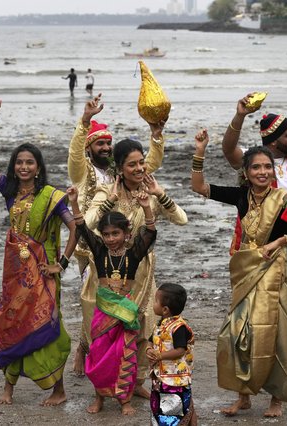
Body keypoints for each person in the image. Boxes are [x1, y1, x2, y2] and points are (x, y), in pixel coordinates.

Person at [192, 129, 287, 418]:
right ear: (246, 173)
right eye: (256, 167)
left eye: (267, 167)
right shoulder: (241, 197)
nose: (262, 172)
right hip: (247, 271)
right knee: (237, 332)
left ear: (273, 171)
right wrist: (201, 150)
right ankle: (244, 396)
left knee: (276, 334)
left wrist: (281, 241)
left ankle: (277, 399)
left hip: (277, 272)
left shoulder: (283, 200)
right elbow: (198, 187)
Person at [0, 98, 76, 406]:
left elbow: (75, 228)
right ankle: (8, 387)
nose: (23, 166)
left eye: (29, 162)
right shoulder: (8, 191)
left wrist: (61, 263)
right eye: (19, 162)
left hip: (43, 269)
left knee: (46, 322)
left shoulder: (52, 197)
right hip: (15, 272)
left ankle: (58, 389)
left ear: (38, 168)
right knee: (10, 320)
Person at [67, 93, 166, 377]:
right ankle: (87, 351)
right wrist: (84, 122)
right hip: (93, 252)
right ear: (89, 147)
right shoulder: (83, 173)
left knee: (136, 311)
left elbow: (150, 166)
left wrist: (156, 137)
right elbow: (74, 157)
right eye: (100, 143)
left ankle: (130, 375)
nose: (106, 147)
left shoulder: (118, 172)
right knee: (95, 309)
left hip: (130, 254)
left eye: (109, 143)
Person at [85, 141, 187, 400]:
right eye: (132, 164)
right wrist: (109, 202)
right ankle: (105, 386)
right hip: (112, 274)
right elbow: (87, 222)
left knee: (143, 329)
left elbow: (182, 219)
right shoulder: (106, 191)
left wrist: (160, 194)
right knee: (108, 332)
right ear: (120, 168)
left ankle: (135, 381)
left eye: (141, 162)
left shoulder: (150, 192)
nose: (139, 168)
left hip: (142, 272)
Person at [222, 94, 287, 310]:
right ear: (274, 140)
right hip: (258, 243)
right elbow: (228, 150)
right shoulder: (255, 161)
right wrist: (240, 115)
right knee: (256, 301)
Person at [67, 185, 157, 416]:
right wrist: (75, 203)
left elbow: (149, 234)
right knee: (99, 356)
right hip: (103, 312)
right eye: (106, 234)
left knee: (124, 356)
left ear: (126, 234)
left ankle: (124, 400)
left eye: (115, 234)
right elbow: (81, 229)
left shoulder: (134, 254)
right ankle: (99, 398)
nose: (110, 239)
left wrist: (147, 208)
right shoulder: (99, 251)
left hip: (125, 312)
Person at [147, 283, 197, 425]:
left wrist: (160, 356)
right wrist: (149, 350)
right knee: (160, 405)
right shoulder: (160, 324)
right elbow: (151, 341)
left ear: (165, 309)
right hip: (160, 376)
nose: (153, 303)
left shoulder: (178, 328)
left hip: (176, 378)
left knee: (176, 406)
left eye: (155, 300)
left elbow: (180, 350)